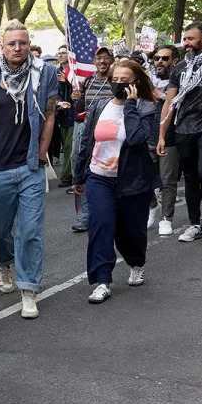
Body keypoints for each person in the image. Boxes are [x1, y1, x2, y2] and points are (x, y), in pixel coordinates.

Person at [0, 20, 58, 319]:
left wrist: (43, 152)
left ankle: (29, 289)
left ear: (28, 43)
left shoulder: (45, 73)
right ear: (1, 46)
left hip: (30, 166)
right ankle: (4, 263)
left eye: (22, 42)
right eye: (12, 43)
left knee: (30, 231)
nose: (17, 47)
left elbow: (48, 115)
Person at [73, 61, 160, 303]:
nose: (120, 84)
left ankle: (136, 263)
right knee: (101, 226)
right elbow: (87, 141)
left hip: (133, 182)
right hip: (99, 178)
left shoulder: (146, 108)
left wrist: (130, 105)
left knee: (131, 232)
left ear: (136, 83)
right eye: (116, 79)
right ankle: (102, 281)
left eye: (126, 80)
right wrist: (79, 175)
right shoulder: (100, 105)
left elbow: (136, 138)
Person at [158, 22, 202, 245]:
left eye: (190, 38)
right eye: (185, 39)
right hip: (184, 129)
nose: (185, 43)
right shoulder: (180, 68)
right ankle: (195, 224)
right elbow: (170, 102)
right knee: (191, 178)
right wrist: (162, 134)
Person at [71, 46, 116, 232]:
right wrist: (77, 100)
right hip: (90, 135)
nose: (102, 62)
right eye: (99, 58)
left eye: (106, 58)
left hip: (111, 136)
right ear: (94, 62)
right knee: (84, 170)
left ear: (112, 60)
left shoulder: (116, 81)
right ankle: (86, 215)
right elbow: (80, 109)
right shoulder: (88, 82)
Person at [149, 45, 181, 236]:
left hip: (170, 138)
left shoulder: (181, 79)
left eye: (164, 58)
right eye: (156, 58)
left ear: (174, 61)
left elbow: (178, 105)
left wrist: (161, 96)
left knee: (167, 181)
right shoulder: (146, 80)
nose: (159, 61)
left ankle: (166, 219)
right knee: (143, 178)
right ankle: (152, 206)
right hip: (147, 136)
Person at [57, 45, 78, 188]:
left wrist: (68, 82)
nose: (60, 55)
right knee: (65, 145)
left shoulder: (75, 72)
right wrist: (58, 103)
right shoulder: (54, 72)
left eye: (63, 53)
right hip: (60, 115)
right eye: (59, 53)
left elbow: (78, 91)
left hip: (73, 114)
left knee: (70, 146)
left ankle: (66, 176)